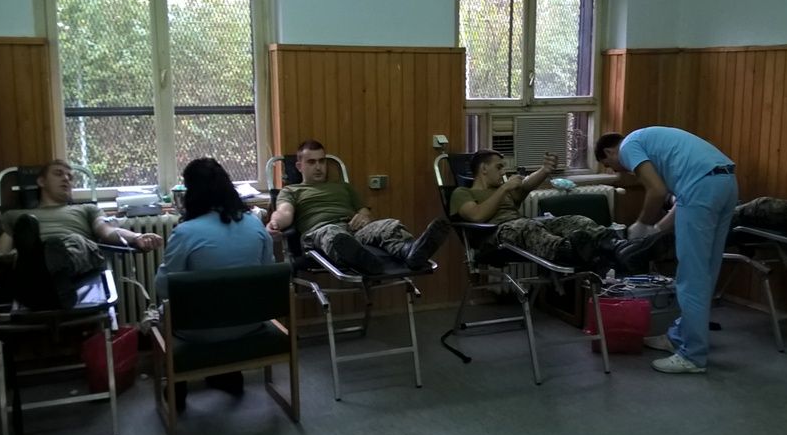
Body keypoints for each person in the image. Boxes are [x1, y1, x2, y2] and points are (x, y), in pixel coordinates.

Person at [595, 126, 737, 374]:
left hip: (701, 188)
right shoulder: (652, 142)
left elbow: (657, 191)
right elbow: (682, 201)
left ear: (609, 151)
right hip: (725, 183)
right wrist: (656, 229)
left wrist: (641, 224)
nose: (617, 171)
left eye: (610, 165)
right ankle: (678, 336)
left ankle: (692, 356)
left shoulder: (628, 146)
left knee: (691, 277)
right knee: (706, 271)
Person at [154, 157, 275, 409]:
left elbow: (163, 288)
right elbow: (268, 273)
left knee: (161, 312)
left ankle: (178, 381)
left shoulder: (185, 233)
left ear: (191, 193)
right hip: (250, 323)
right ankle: (226, 373)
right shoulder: (256, 225)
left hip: (196, 331)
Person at [0, 160, 163, 310]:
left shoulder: (87, 209)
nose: (66, 179)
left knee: (74, 242)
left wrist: (136, 238)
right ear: (41, 181)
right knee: (16, 254)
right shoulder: (15, 216)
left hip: (71, 253)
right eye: (58, 173)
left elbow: (107, 231)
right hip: (30, 258)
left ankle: (41, 275)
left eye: (70, 176)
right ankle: (48, 277)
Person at [266, 140, 450, 275]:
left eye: (322, 161)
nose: (319, 167)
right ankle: (362, 261)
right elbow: (284, 213)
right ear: (299, 166)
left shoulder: (343, 187)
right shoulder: (291, 190)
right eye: (311, 162)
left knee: (389, 225)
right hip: (320, 232)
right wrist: (275, 223)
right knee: (334, 235)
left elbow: (364, 211)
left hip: (354, 231)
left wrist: (364, 216)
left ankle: (409, 251)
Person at [450, 149, 647, 270]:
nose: (503, 172)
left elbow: (526, 186)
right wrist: (504, 188)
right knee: (527, 226)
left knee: (577, 220)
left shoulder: (504, 191)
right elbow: (476, 216)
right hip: (495, 236)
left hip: (524, 227)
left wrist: (545, 170)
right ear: (484, 169)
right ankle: (572, 251)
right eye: (499, 167)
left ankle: (619, 247)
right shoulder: (462, 193)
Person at [649, 194, 787, 249]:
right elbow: (678, 202)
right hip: (712, 227)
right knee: (760, 206)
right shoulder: (671, 190)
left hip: (729, 215)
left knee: (765, 211)